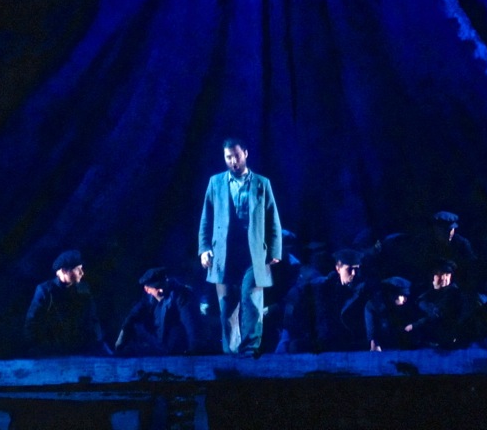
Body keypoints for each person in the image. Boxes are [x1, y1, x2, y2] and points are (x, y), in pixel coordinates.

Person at [198, 138, 282, 356]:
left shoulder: (262, 183)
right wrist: (204, 248)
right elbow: (206, 218)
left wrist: (275, 250)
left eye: (236, 156)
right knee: (227, 306)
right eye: (228, 157)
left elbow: (272, 218)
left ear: (245, 153)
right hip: (224, 254)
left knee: (251, 300)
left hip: (253, 253)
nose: (233, 161)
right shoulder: (215, 183)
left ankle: (249, 349)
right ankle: (231, 353)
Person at [276, 249, 372, 353]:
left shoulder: (365, 291)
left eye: (357, 269)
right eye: (349, 269)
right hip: (326, 341)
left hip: (352, 342)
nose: (353, 273)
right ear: (338, 268)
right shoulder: (322, 289)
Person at [24, 250, 105, 356]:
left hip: (79, 349)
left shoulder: (83, 289)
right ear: (63, 271)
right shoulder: (45, 290)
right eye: (77, 269)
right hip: (52, 350)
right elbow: (32, 322)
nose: (82, 273)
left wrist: (98, 342)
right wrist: (37, 348)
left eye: (81, 268)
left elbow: (93, 319)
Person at [115, 267, 201, 356]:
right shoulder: (148, 299)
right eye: (157, 287)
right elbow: (133, 316)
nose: (161, 290)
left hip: (178, 349)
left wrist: (193, 349)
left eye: (162, 285)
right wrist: (122, 336)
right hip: (159, 347)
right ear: (147, 290)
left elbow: (190, 323)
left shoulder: (181, 295)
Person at [404, 258, 466, 348]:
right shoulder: (425, 296)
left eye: (447, 275)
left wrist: (414, 326)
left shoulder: (454, 295)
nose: (443, 278)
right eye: (439, 274)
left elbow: (439, 315)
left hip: (447, 342)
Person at [365, 276, 417, 351]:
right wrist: (374, 342)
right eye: (401, 296)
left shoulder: (409, 305)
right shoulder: (374, 305)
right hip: (385, 344)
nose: (404, 300)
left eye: (406, 296)